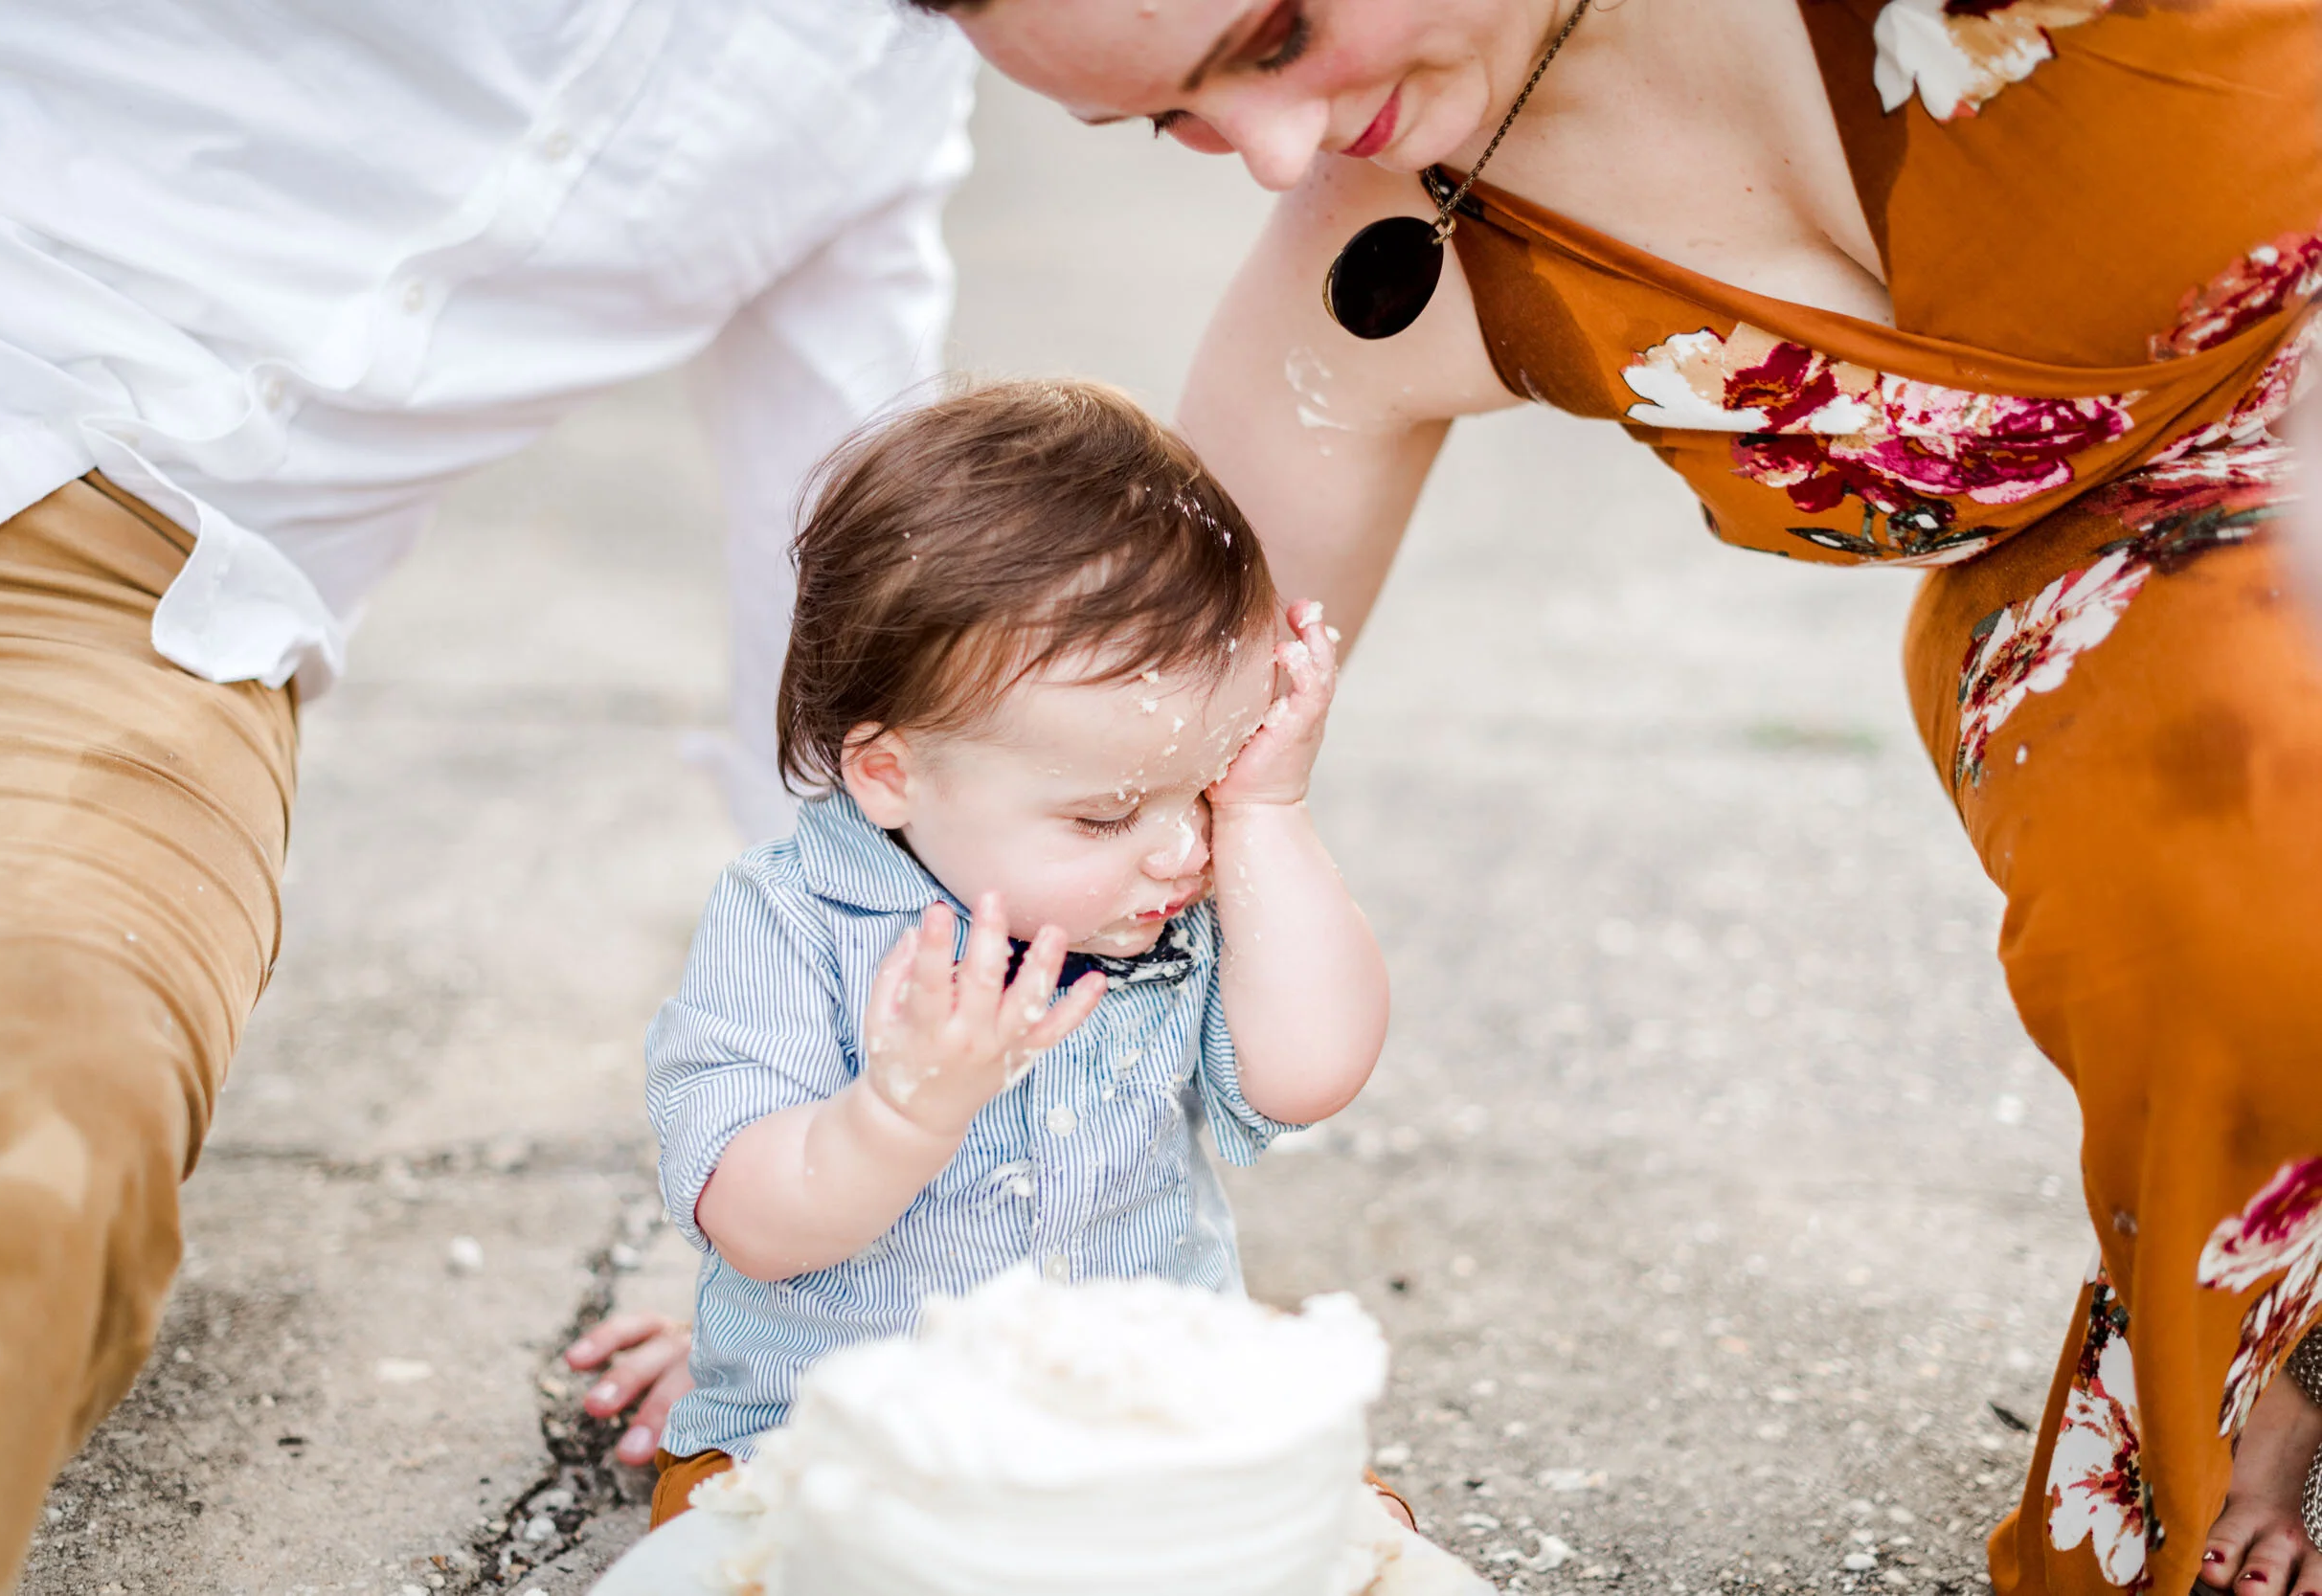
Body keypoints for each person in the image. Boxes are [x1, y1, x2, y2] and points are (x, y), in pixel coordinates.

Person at [911, 3, 2322, 1596]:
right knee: (2237, 878)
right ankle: (2273, 1353)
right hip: (2148, 608)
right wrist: (869, 1226)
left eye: (1279, 30)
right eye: (1170, 119)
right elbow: (1095, 766)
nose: (1274, 151)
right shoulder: (1379, 254)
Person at [0, 1, 973, 1587]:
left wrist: (812, 1238)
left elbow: (844, 657)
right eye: (1263, 41)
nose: (1275, 150)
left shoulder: (871, 97)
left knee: (43, 1089)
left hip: (149, 610)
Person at [635, 378, 1388, 1523]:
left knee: (1348, 1521)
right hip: (833, 1443)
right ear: (888, 773)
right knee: (736, 1546)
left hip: (1136, 1428)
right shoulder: (790, 922)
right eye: (1104, 814)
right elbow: (752, 1219)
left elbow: (1309, 1070)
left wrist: (1269, 808)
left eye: (1207, 783)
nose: (1182, 848)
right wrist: (898, 1114)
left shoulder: (1173, 897)